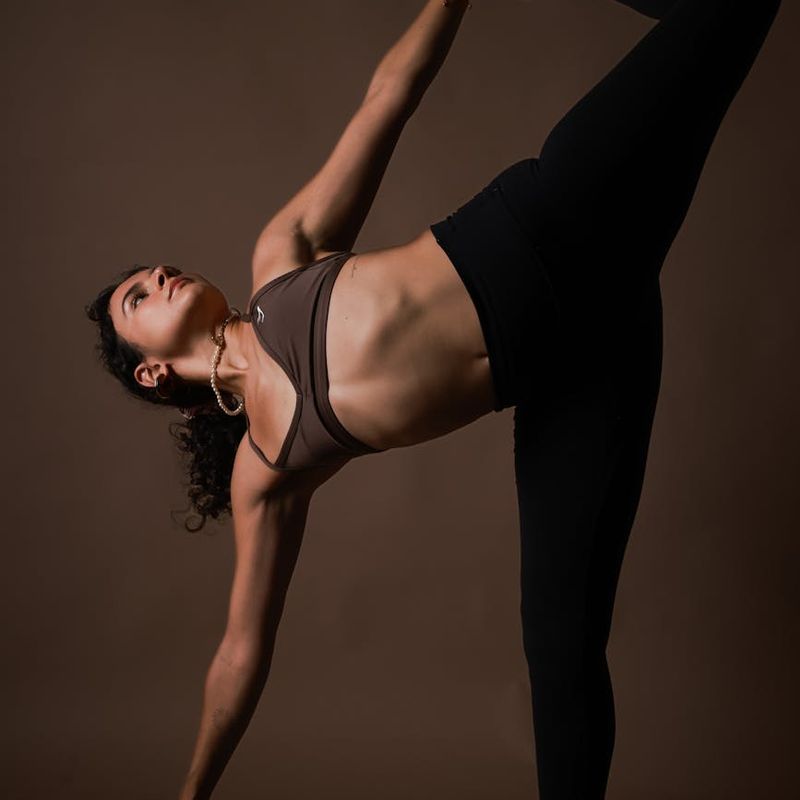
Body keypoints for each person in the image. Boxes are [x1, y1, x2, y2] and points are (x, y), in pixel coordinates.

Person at [84, 1, 782, 797]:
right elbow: (242, 649)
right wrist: (192, 791)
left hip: (557, 213)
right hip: (581, 368)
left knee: (727, 10)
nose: (160, 275)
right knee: (561, 644)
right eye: (140, 296)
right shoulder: (266, 468)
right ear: (151, 373)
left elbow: (387, 97)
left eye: (154, 270)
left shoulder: (281, 259)